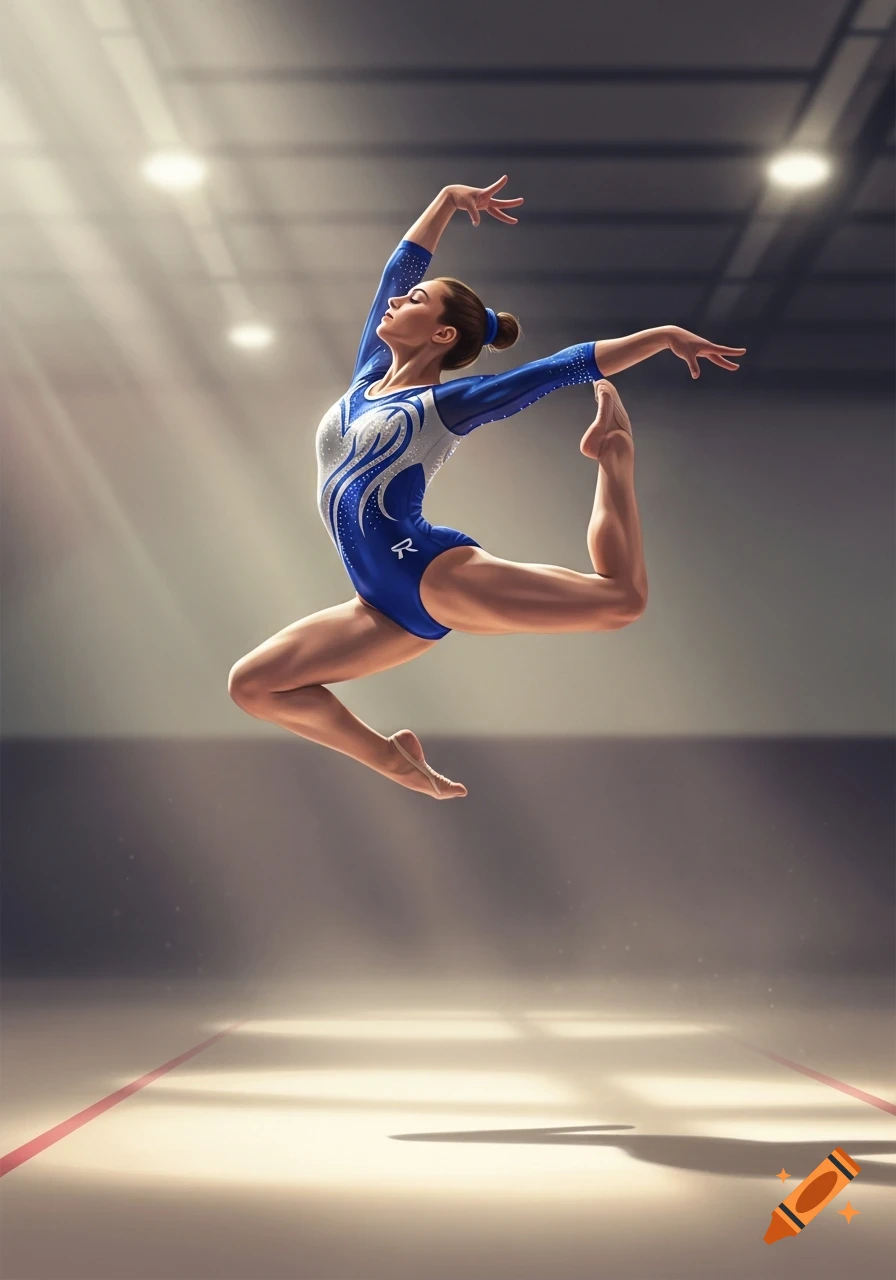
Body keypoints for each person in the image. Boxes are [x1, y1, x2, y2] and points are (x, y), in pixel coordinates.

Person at [229, 177, 746, 799]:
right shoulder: (370, 372)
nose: (394, 304)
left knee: (621, 602)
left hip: (431, 576)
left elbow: (557, 369)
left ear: (442, 335)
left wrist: (660, 337)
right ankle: (394, 761)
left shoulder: (448, 403)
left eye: (414, 302)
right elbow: (400, 267)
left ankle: (614, 458)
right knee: (254, 685)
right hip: (377, 608)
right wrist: (447, 200)